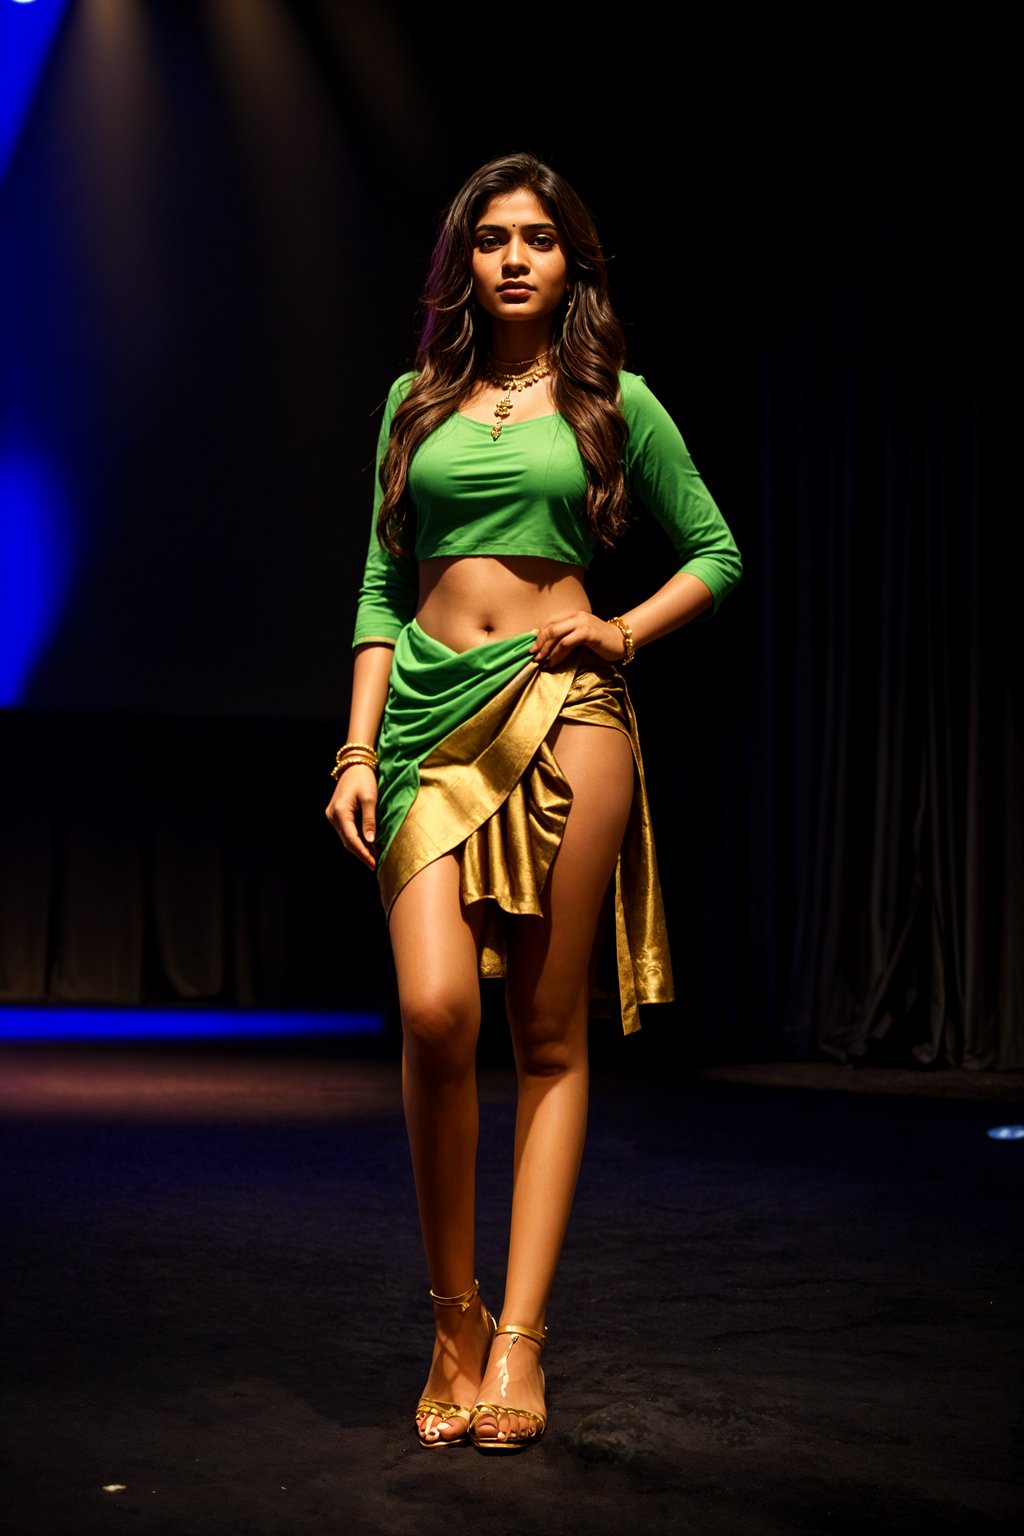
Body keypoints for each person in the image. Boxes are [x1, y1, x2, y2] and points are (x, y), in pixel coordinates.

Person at [326, 151, 741, 1453]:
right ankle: (452, 1310)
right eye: (493, 237)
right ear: (465, 262)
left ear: (573, 264)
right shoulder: (412, 401)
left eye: (541, 238)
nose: (516, 257)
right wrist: (353, 750)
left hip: (570, 712)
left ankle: (518, 1343)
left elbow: (717, 551)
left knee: (549, 1039)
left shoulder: (618, 402)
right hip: (426, 720)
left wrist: (623, 630)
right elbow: (382, 590)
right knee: (440, 1009)